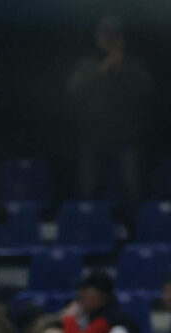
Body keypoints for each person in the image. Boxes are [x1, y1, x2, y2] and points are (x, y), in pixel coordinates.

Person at [66, 16, 155, 206]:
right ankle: (89, 230)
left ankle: (133, 232)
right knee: (87, 191)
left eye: (114, 36)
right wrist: (101, 70)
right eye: (105, 35)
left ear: (121, 39)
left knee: (132, 190)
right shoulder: (86, 65)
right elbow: (74, 91)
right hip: (92, 140)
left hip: (125, 140)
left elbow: (146, 89)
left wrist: (121, 67)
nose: (109, 40)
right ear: (98, 38)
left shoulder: (133, 64)